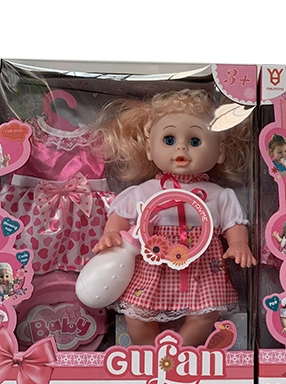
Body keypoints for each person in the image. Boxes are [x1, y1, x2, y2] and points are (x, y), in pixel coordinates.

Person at [91, 89, 256, 347]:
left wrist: (238, 243)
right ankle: (149, 352)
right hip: (153, 265)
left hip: (202, 268)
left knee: (206, 314)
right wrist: (111, 233)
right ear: (149, 149)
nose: (181, 147)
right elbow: (120, 215)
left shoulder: (219, 195)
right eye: (169, 139)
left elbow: (234, 223)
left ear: (220, 152)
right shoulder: (144, 191)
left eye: (195, 141)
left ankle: (179, 353)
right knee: (137, 315)